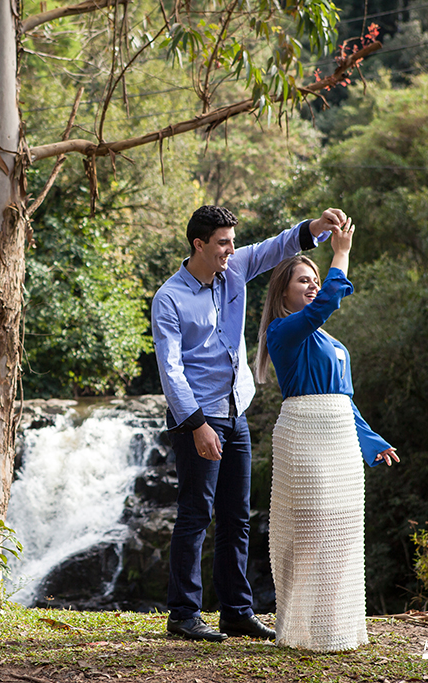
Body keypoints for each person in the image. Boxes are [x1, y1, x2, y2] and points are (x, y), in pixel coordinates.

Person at [152, 204, 347, 642]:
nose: (231, 249)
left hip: (235, 411)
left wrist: (316, 228)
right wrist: (198, 424)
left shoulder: (235, 268)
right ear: (198, 244)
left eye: (232, 241)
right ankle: (183, 614)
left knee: (237, 516)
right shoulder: (169, 298)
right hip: (197, 417)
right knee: (195, 513)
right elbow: (171, 371)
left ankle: (236, 611)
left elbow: (278, 246)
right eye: (222, 242)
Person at [253, 221, 400, 652]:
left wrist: (372, 442)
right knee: (311, 529)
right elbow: (326, 305)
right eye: (304, 280)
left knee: (341, 531)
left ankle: (333, 629)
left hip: (340, 440)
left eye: (317, 280)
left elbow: (346, 401)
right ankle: (297, 628)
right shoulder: (283, 332)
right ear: (284, 293)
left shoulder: (332, 342)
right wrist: (341, 253)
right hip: (305, 436)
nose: (313, 286)